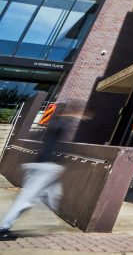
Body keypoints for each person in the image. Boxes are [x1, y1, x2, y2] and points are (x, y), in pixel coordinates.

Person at [0, 102, 79, 240]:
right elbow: (52, 145)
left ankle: (39, 213)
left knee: (54, 194)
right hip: (44, 168)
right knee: (26, 199)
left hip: (47, 168)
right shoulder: (60, 124)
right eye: (77, 113)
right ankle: (3, 227)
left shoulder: (57, 124)